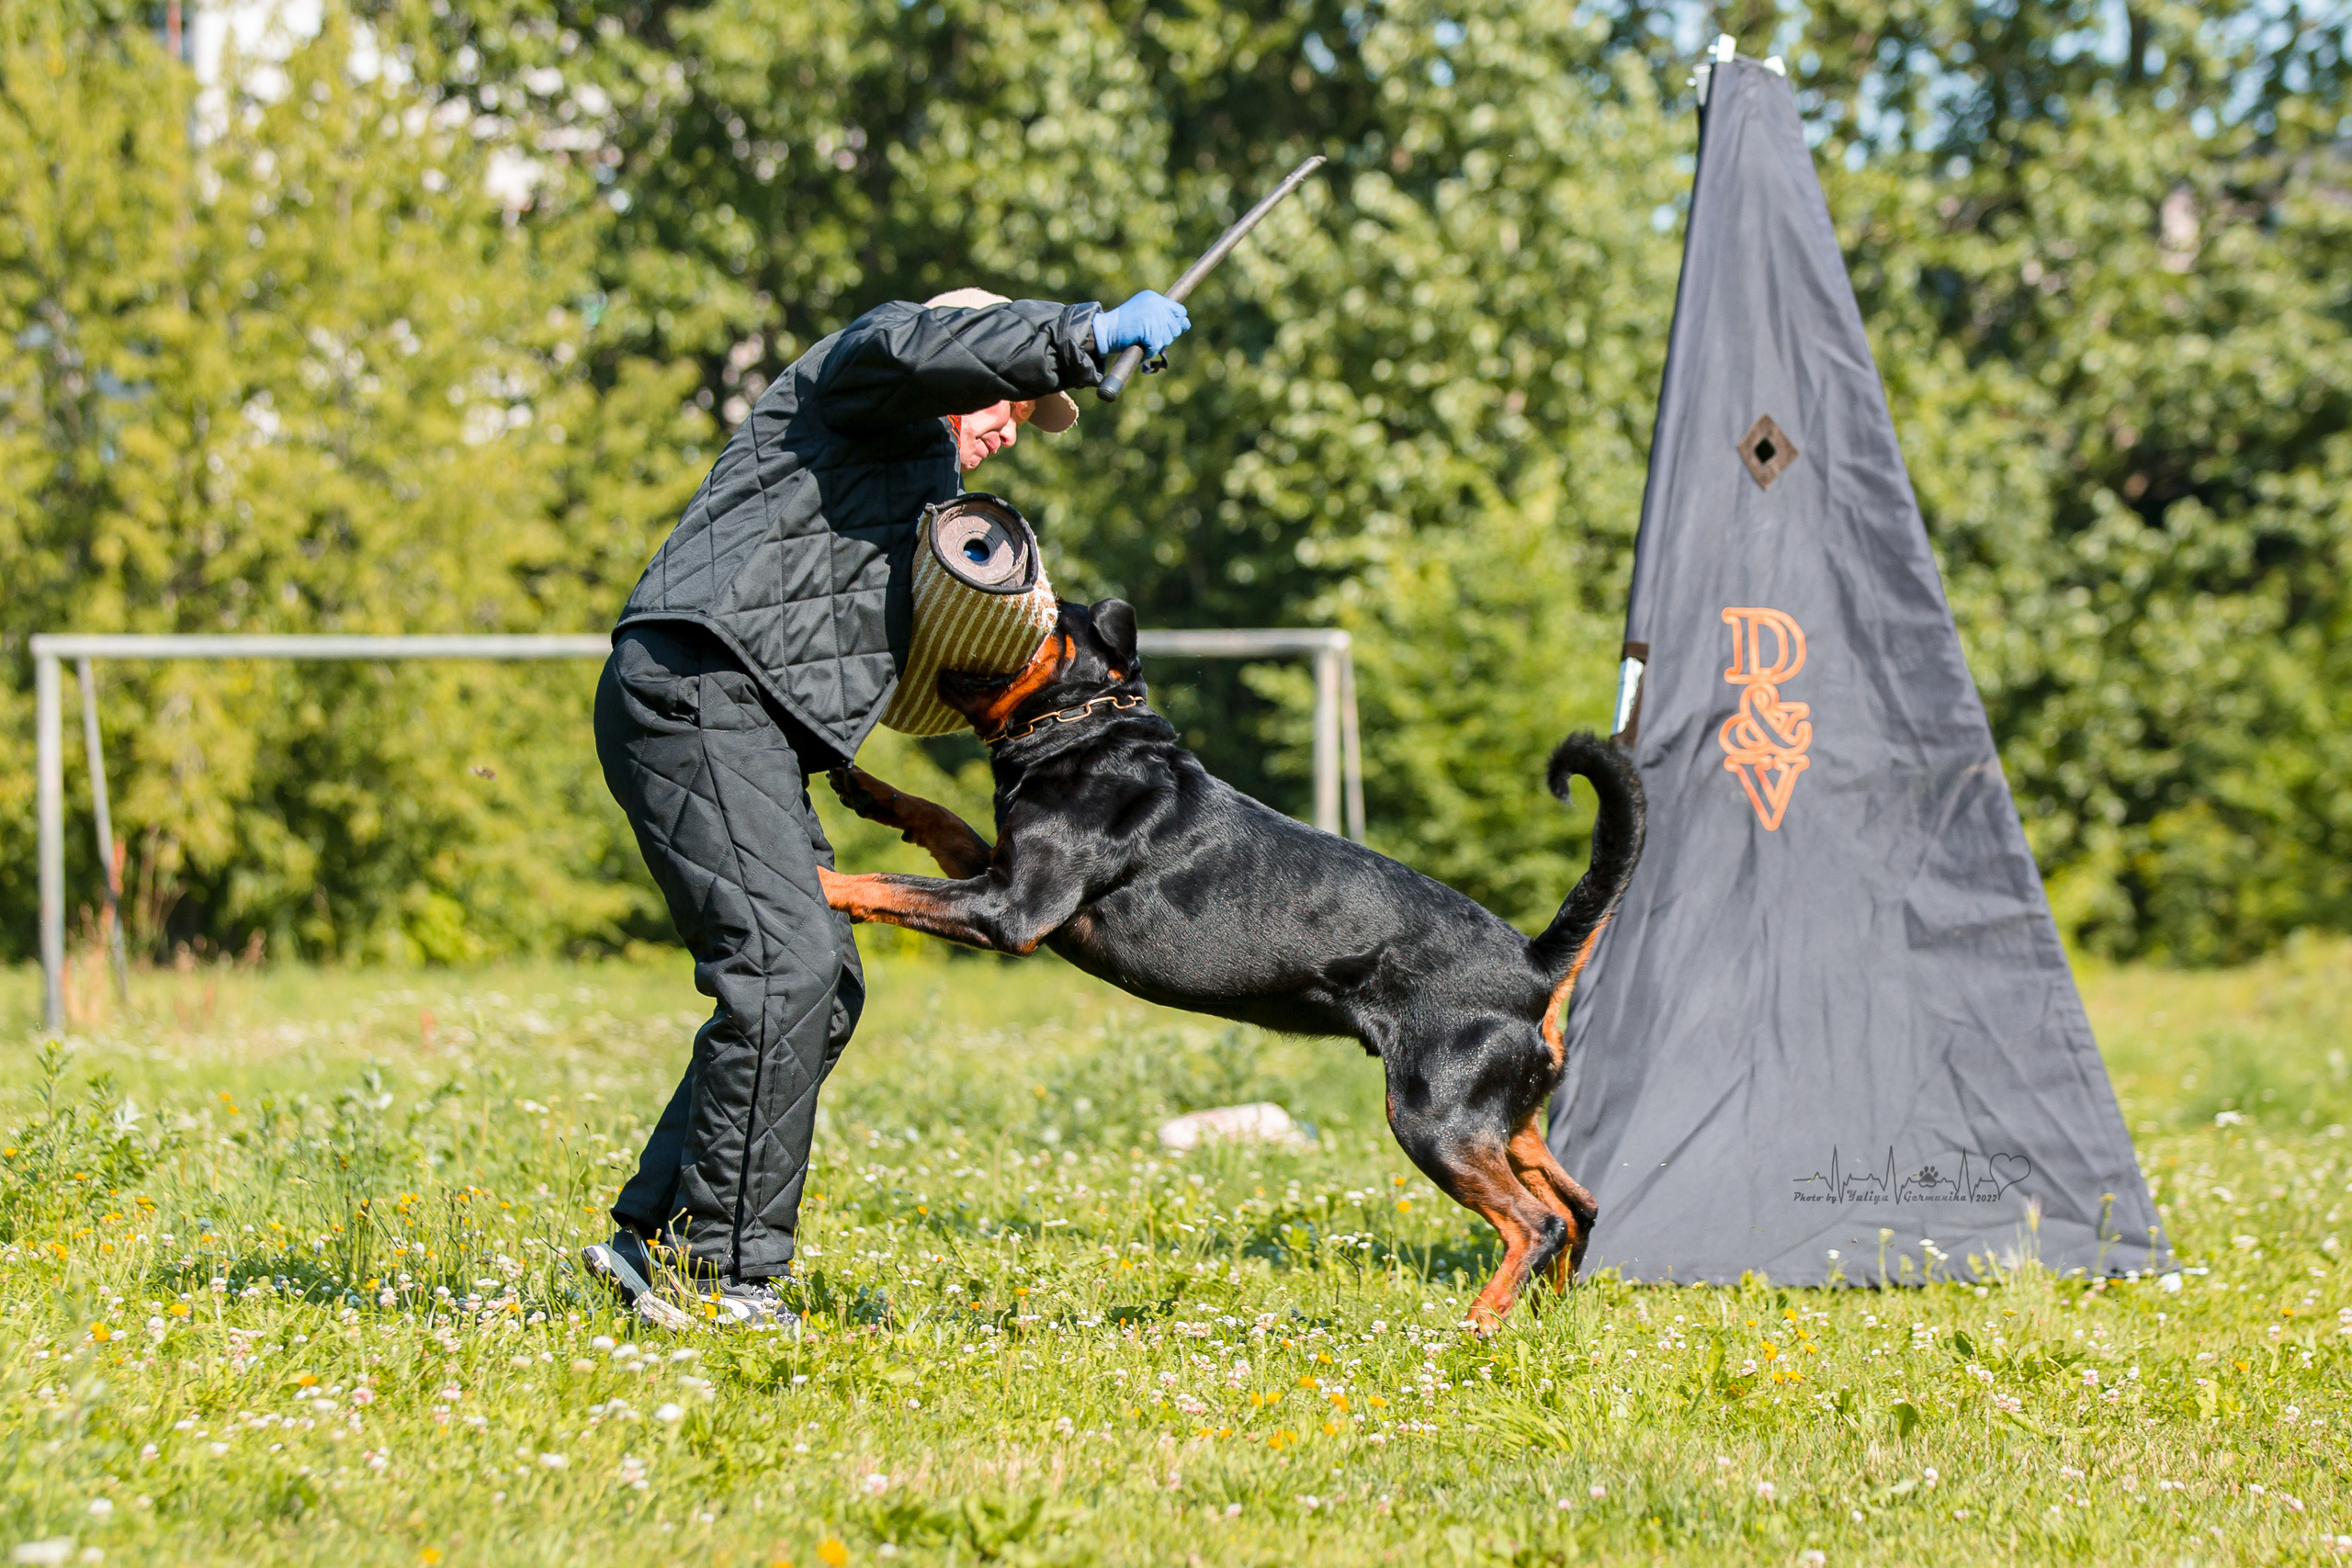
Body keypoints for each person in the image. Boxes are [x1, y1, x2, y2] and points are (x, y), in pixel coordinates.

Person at [582, 287, 1189, 1328]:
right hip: (695, 688)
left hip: (748, 721)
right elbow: (912, 343)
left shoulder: (915, 480)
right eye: (1007, 399)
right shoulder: (863, 381)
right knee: (787, 966)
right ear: (966, 360)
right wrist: (1079, 336)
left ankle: (657, 1242)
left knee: (825, 983)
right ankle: (725, 1279)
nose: (1010, 426)